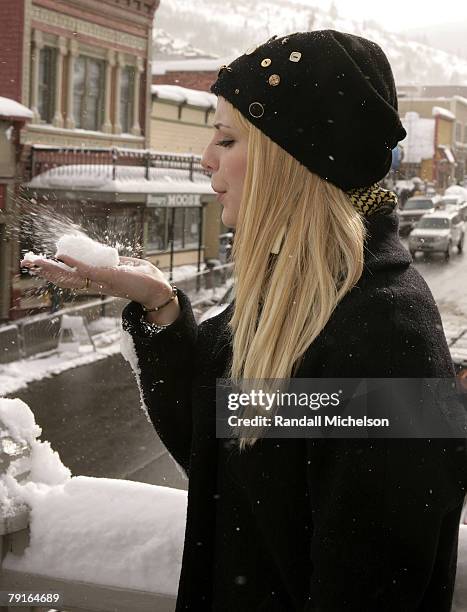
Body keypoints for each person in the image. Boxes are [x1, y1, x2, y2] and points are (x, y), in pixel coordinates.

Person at [22, 30, 466, 611]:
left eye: (227, 138)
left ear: (294, 162)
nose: (205, 158)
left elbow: (371, 586)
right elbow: (226, 452)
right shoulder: (302, 297)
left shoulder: (382, 336)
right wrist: (160, 307)